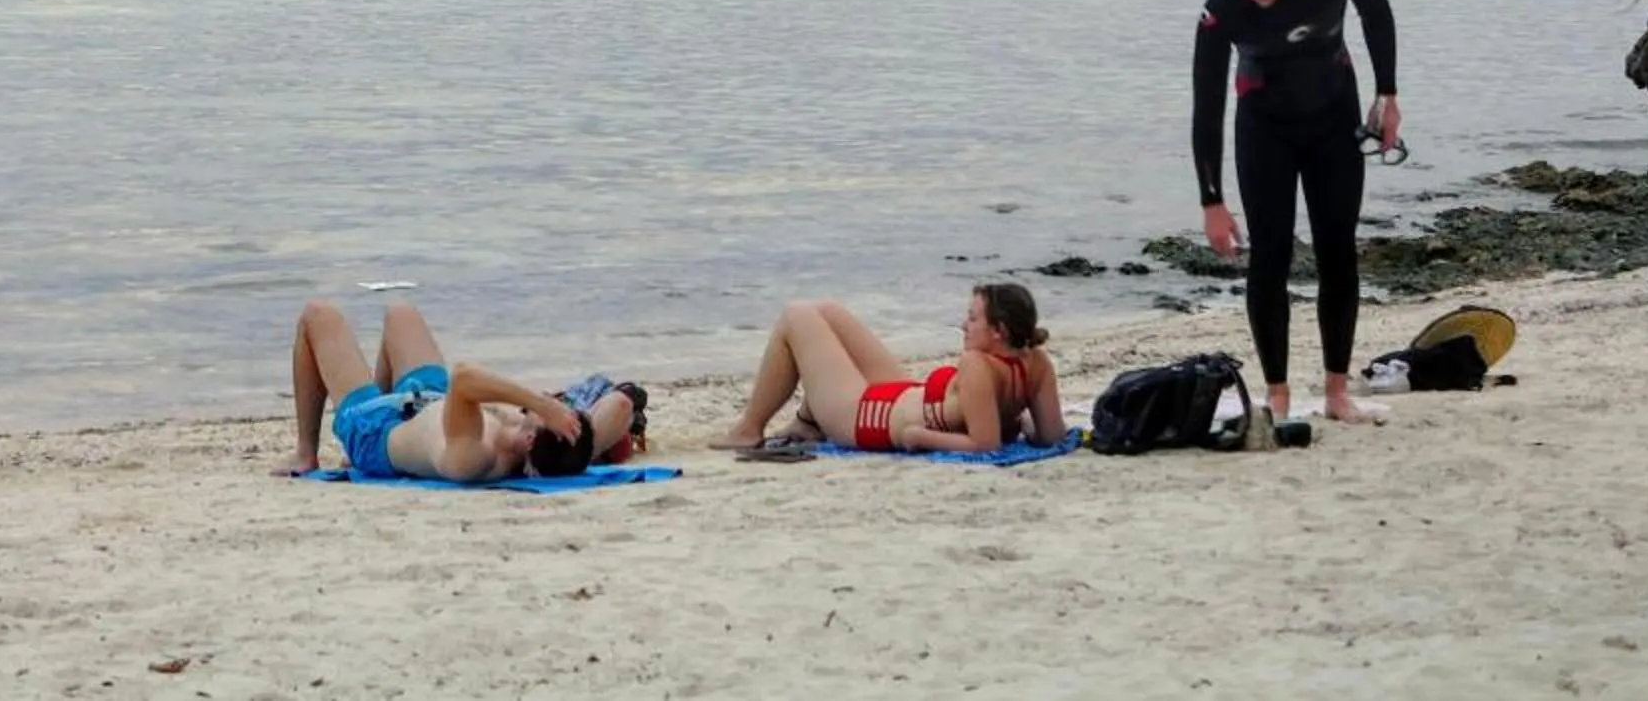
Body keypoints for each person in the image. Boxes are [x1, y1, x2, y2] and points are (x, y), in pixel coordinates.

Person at [1191, 0, 1400, 424]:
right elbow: (1206, 105)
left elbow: (1376, 10)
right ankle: (1278, 394)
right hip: (1266, 130)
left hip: (1334, 120)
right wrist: (1211, 201)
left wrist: (1387, 95)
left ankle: (1336, 392)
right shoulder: (1221, 7)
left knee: (1336, 250)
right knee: (1271, 255)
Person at [276, 299, 639, 483]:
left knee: (317, 315)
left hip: (376, 432)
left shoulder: (476, 458)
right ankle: (377, 390)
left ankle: (305, 453)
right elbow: (621, 405)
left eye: (538, 416)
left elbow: (464, 377)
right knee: (400, 312)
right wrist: (580, 435)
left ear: (530, 441)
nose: (549, 407)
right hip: (429, 400)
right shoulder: (561, 448)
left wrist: (539, 403)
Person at [714, 286, 1063, 454]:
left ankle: (748, 429)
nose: (963, 325)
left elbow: (984, 445)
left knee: (796, 316)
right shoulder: (1036, 362)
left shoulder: (977, 365)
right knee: (827, 309)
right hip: (901, 394)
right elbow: (1052, 436)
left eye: (972, 319)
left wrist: (918, 437)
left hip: (867, 419)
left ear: (998, 331)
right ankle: (807, 422)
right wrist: (1024, 424)